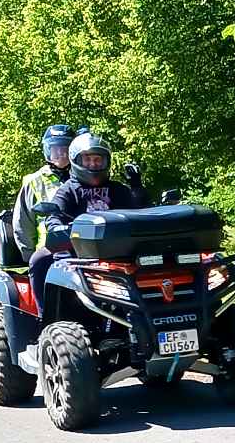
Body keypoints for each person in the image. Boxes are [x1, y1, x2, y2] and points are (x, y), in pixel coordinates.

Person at [30, 132, 147, 314]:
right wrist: (56, 227)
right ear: (77, 161)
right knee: (38, 260)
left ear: (106, 161)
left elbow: (140, 212)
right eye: (88, 160)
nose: (93, 164)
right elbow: (55, 213)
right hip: (78, 251)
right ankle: (45, 315)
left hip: (118, 252)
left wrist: (137, 186)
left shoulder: (118, 189)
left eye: (98, 160)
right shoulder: (68, 189)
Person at [13, 124, 76, 261]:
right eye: (55, 149)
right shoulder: (33, 181)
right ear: (47, 150)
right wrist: (30, 256)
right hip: (48, 251)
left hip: (83, 248)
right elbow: (22, 224)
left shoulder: (85, 178)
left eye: (65, 148)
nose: (60, 153)